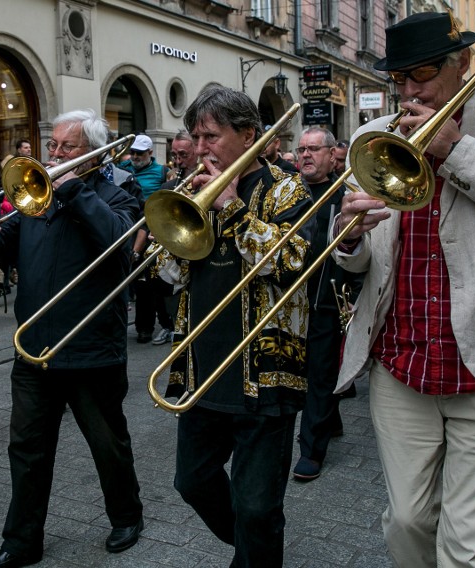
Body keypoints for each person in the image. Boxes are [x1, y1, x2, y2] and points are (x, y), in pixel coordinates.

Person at [333, 12, 475, 567]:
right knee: (408, 520)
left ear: (464, 65)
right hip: (401, 361)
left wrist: (455, 149)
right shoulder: (372, 136)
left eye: (421, 75)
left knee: (472, 546)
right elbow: (357, 257)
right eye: (399, 79)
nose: (409, 91)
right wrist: (347, 238)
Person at [0, 109, 144, 568]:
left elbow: (118, 244)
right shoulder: (35, 195)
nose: (56, 154)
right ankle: (21, 542)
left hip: (91, 347)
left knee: (107, 443)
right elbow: (13, 249)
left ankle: (127, 514)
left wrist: (73, 189)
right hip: (34, 346)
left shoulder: (119, 191)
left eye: (67, 147)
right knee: (26, 448)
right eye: (54, 146)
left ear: (92, 154)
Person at [151, 85, 314, 567]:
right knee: (193, 481)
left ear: (248, 135)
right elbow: (172, 275)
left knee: (259, 505)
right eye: (194, 138)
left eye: (210, 137)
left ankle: (253, 548)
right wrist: (168, 239)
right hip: (203, 366)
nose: (199, 149)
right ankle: (249, 544)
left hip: (264, 372)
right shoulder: (191, 189)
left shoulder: (286, 187)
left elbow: (292, 261)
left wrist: (232, 206)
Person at [292, 127, 363, 482]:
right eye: (301, 149)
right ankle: (330, 421)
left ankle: (311, 450)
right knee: (306, 371)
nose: (305, 155)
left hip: (327, 297)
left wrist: (354, 295)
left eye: (314, 149)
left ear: (332, 154)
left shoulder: (345, 192)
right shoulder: (287, 191)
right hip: (291, 299)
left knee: (319, 374)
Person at [120, 134, 173, 344]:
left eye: (139, 153)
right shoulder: (125, 168)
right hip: (128, 226)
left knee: (149, 283)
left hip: (152, 229)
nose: (135, 156)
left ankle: (147, 326)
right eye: (133, 152)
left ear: (150, 153)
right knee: (131, 279)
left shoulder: (161, 172)